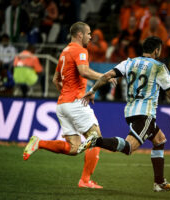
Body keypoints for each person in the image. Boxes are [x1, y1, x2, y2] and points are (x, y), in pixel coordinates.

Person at [80, 36, 170, 192]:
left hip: (130, 112)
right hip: (145, 113)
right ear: (157, 50)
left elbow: (107, 76)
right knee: (129, 148)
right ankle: (96, 141)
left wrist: (92, 90)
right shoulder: (158, 67)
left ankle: (159, 182)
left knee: (160, 140)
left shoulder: (129, 62)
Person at [23, 22, 115, 189]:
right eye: (88, 33)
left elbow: (55, 80)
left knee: (74, 147)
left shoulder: (65, 51)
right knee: (96, 139)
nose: (90, 37)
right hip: (75, 102)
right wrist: (105, 76)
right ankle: (85, 181)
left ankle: (39, 143)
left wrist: (67, 96)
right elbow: (84, 71)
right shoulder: (80, 50)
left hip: (62, 104)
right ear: (79, 34)